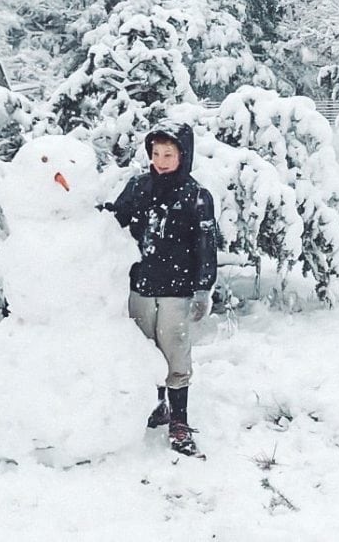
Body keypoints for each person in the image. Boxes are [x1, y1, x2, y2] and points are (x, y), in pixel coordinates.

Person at [108, 120, 217, 456]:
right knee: (143, 352)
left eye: (169, 154)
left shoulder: (197, 197)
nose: (162, 160)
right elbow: (113, 223)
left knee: (175, 354)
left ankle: (179, 421)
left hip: (178, 290)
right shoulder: (138, 187)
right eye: (156, 153)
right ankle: (156, 407)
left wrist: (203, 288)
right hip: (140, 287)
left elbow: (206, 244)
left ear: (183, 155)